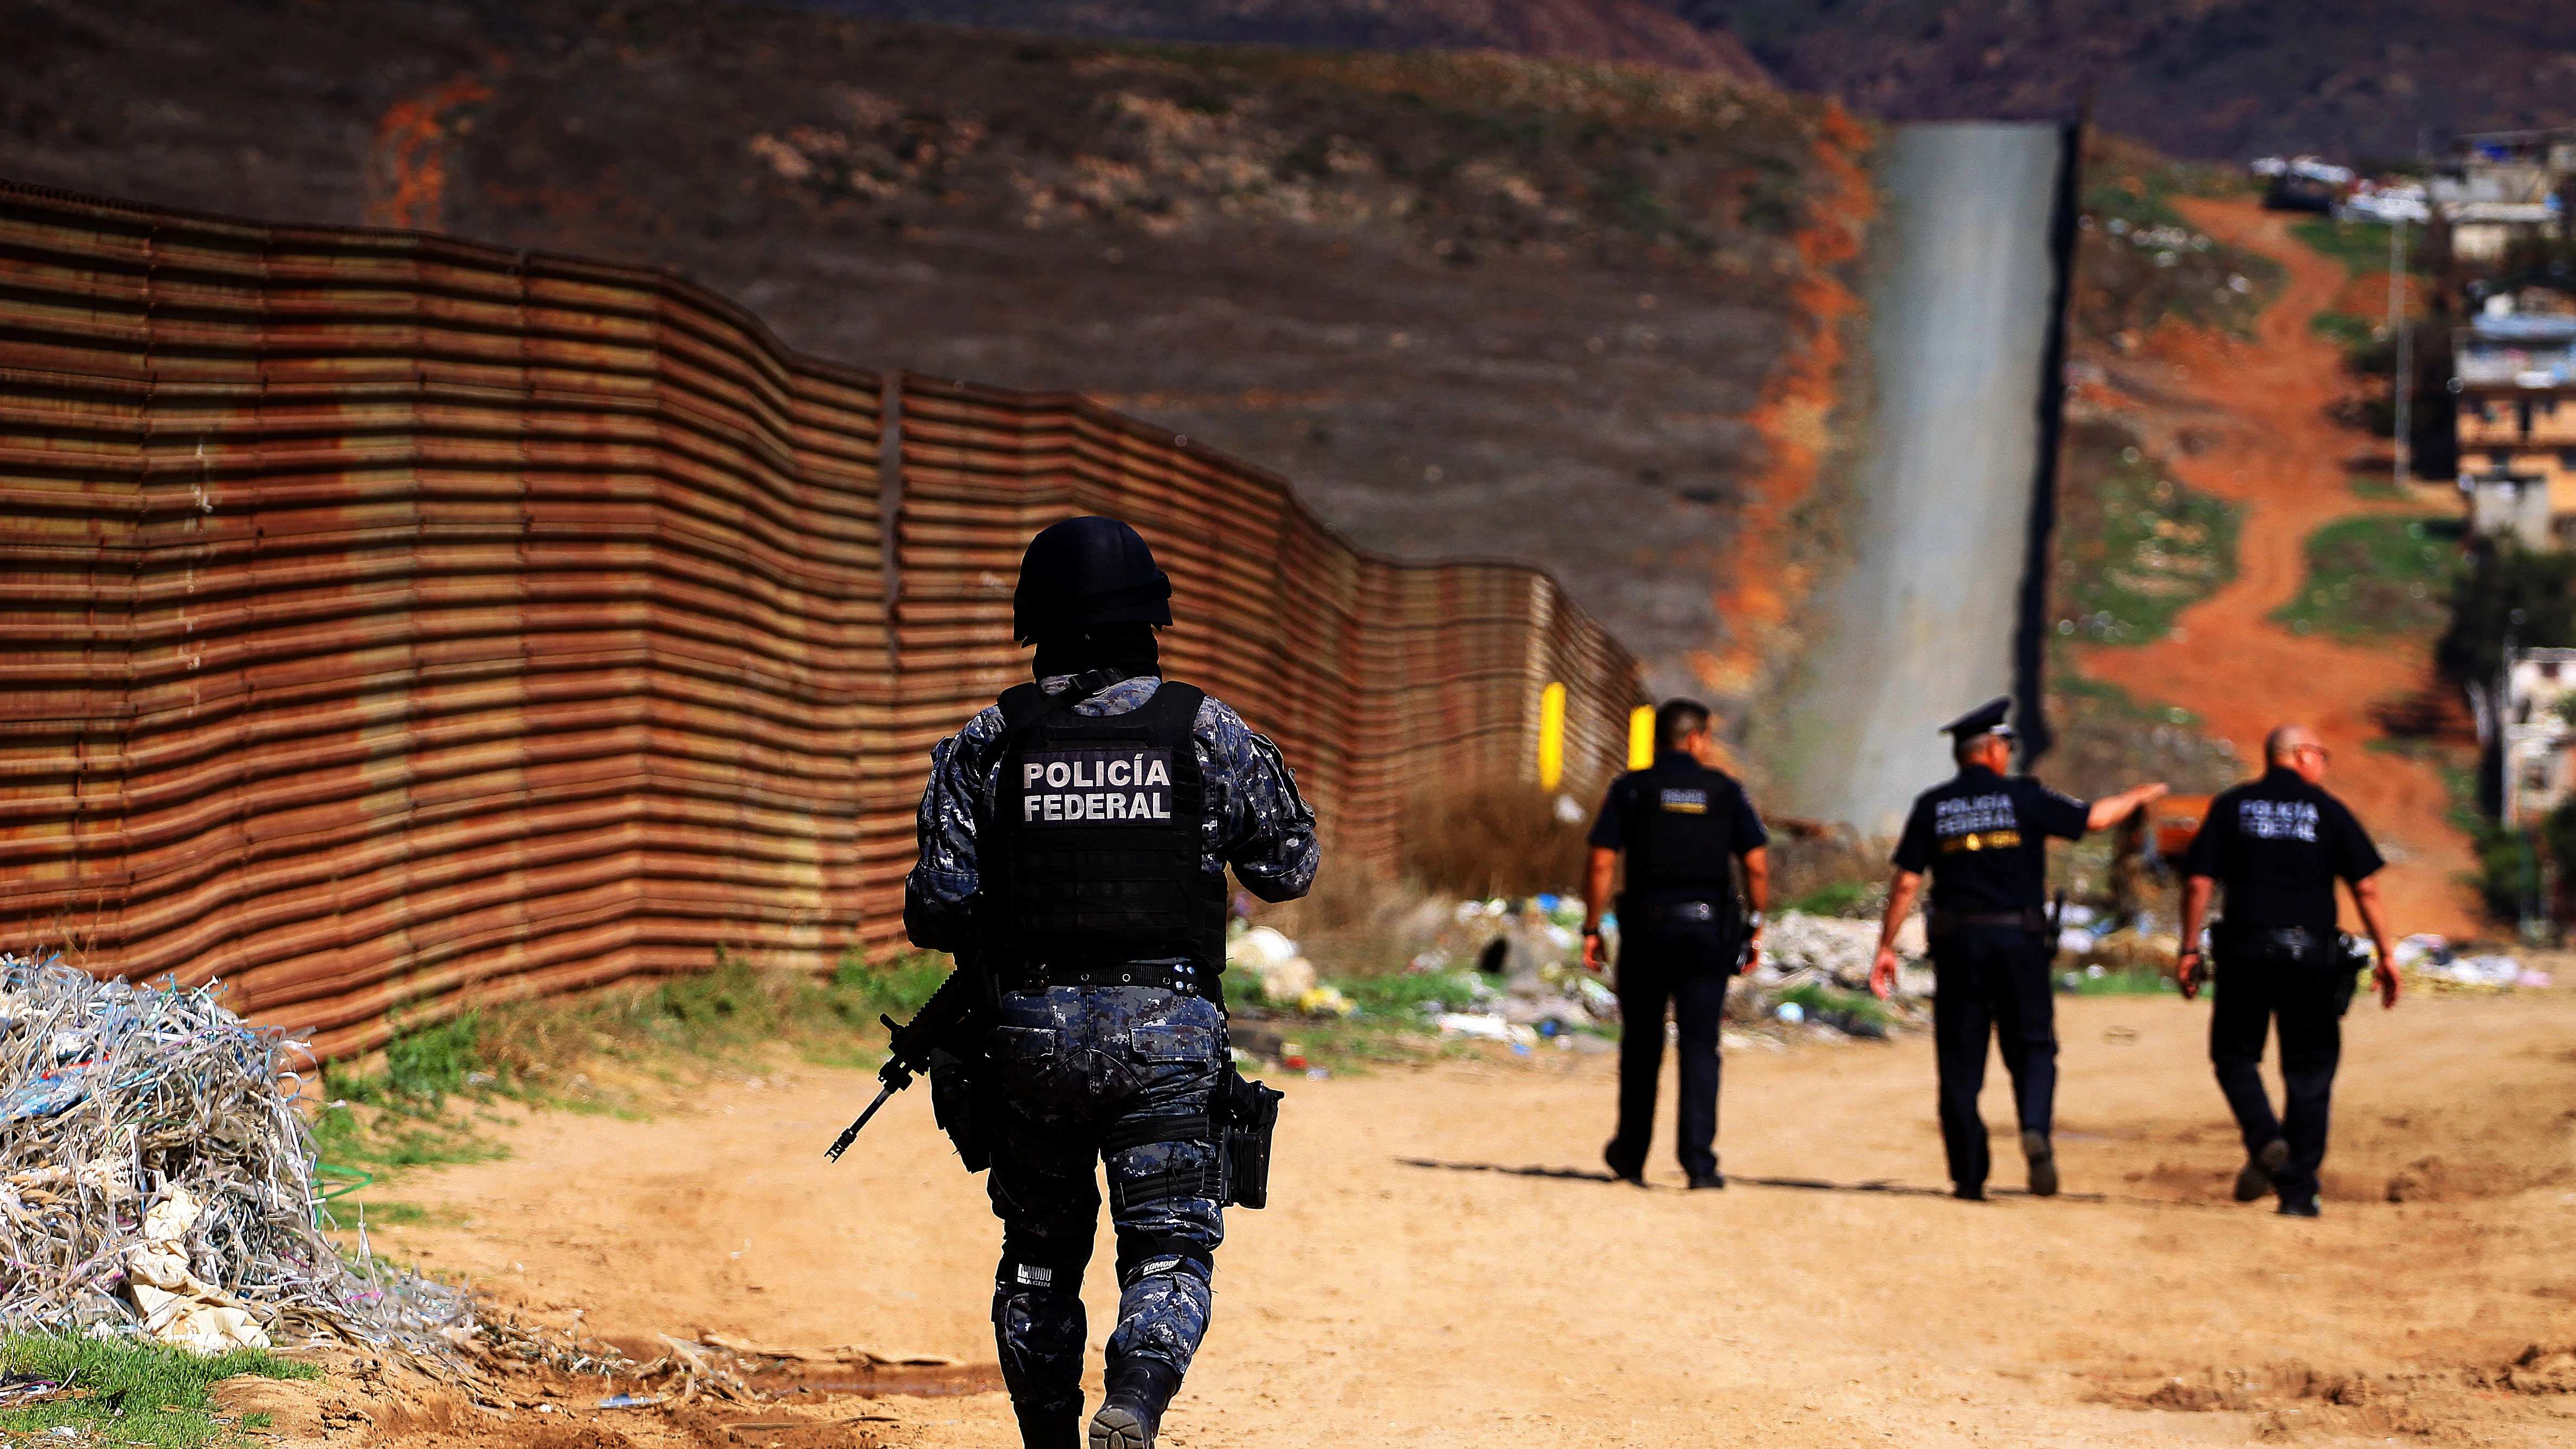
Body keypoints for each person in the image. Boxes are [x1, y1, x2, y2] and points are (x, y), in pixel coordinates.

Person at [904, 516, 1319, 1449]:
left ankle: (1048, 1440)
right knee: (1169, 1249)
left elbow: (935, 905)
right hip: (1167, 1029)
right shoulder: (1205, 728)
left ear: (1035, 623)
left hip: (1026, 1034)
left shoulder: (989, 739)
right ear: (1149, 617)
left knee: (1041, 1259)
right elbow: (1288, 866)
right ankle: (1132, 1401)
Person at [1869, 697, 2165, 1200]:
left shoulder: (1934, 805)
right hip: (2020, 941)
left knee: (1960, 1059)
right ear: (1989, 751)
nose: (2009, 753)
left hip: (1958, 944)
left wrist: (1886, 946)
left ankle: (1968, 1174)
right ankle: (2034, 1127)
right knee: (2032, 1046)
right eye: (2006, 745)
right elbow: (2093, 820)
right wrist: (2137, 796)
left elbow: (1905, 884)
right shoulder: (2024, 797)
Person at [2174, 723, 2398, 1219]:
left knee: (2234, 1055)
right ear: (2300, 755)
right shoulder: (2328, 810)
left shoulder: (2232, 805)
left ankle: (2265, 1137)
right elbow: (2366, 889)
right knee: (2310, 1071)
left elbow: (2198, 882)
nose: (2324, 763)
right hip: (2312, 956)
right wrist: (2386, 954)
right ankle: (2299, 1193)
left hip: (2245, 952)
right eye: (2323, 754)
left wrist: (2189, 948)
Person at [1580, 698, 1770, 1189]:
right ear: (1695, 738)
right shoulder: (1725, 790)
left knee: (1642, 1043)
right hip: (1707, 934)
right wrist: (1756, 923)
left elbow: (1601, 862)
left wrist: (1592, 926)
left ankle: (1631, 1156)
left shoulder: (1631, 789)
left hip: (1645, 931)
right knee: (1700, 1045)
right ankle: (1699, 1164)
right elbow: (1756, 864)